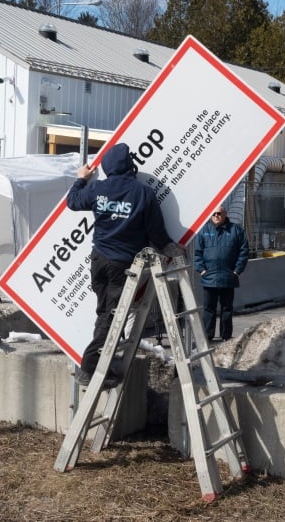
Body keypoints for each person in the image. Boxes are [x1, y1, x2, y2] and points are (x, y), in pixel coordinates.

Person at [67, 142, 182, 386]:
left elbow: (73, 201)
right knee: (111, 317)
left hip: (98, 260)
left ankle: (102, 365)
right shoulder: (142, 193)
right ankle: (88, 368)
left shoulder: (97, 188)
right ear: (130, 166)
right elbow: (156, 232)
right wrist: (170, 247)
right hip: (121, 264)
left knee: (105, 313)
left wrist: (81, 178)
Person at [193, 205, 249, 341]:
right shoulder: (204, 231)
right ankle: (208, 336)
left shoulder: (236, 230)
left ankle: (226, 336)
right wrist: (202, 270)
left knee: (226, 309)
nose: (216, 216)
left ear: (225, 214)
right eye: (213, 214)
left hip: (228, 277)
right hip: (209, 277)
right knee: (208, 309)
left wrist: (237, 271)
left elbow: (244, 251)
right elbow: (197, 253)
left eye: (219, 213)